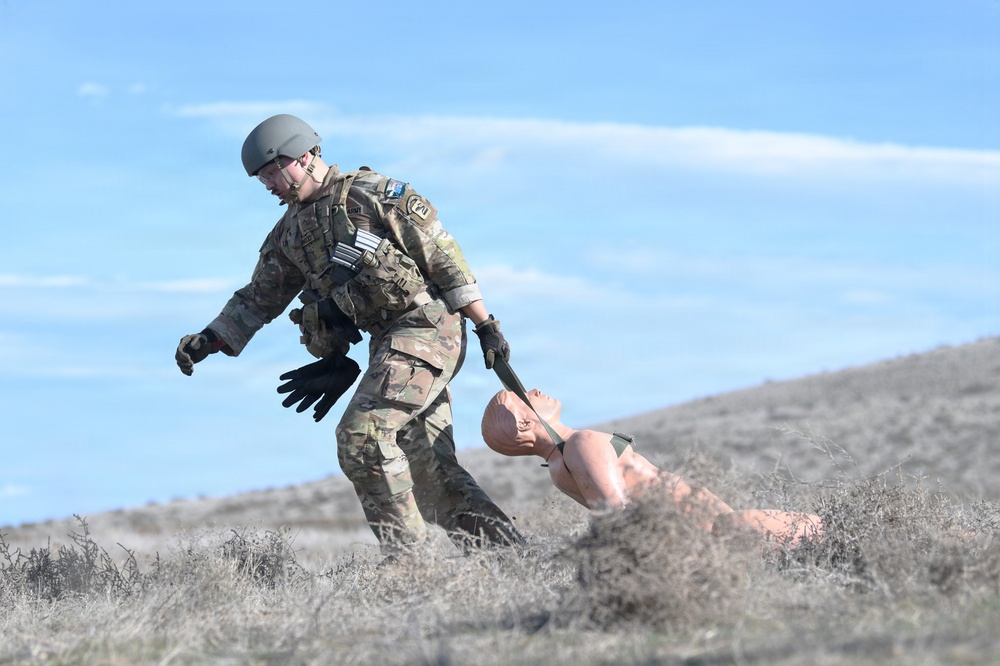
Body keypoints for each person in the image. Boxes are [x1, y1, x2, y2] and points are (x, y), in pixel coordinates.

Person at [175, 114, 523, 557]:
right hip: (388, 343)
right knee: (429, 474)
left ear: (302, 157)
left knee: (362, 436)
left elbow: (441, 258)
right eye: (261, 180)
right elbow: (258, 298)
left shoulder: (374, 194)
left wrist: (486, 325)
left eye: (270, 174)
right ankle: (515, 559)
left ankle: (411, 564)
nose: (267, 186)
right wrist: (210, 338)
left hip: (427, 327)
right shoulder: (289, 233)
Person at [481, 387, 823, 545]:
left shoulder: (559, 465)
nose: (536, 389)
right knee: (828, 533)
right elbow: (620, 513)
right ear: (525, 425)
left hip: (706, 535)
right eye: (525, 396)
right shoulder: (580, 444)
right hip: (719, 530)